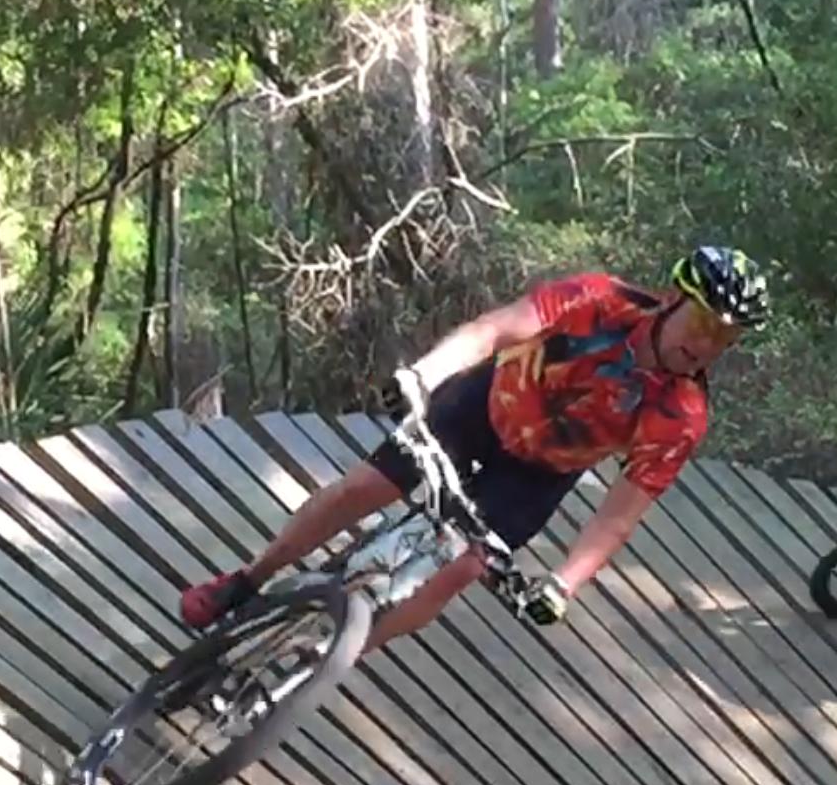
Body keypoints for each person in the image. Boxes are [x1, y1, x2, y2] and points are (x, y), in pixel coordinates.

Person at [177, 245, 771, 652]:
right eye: (703, 322)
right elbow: (492, 331)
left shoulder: (682, 417)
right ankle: (247, 581)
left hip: (538, 475)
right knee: (367, 488)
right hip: (482, 409)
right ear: (672, 298)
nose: (708, 342)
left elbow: (620, 515)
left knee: (459, 569)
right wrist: (424, 376)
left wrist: (565, 585)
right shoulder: (597, 300)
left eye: (727, 336)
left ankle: (329, 660)